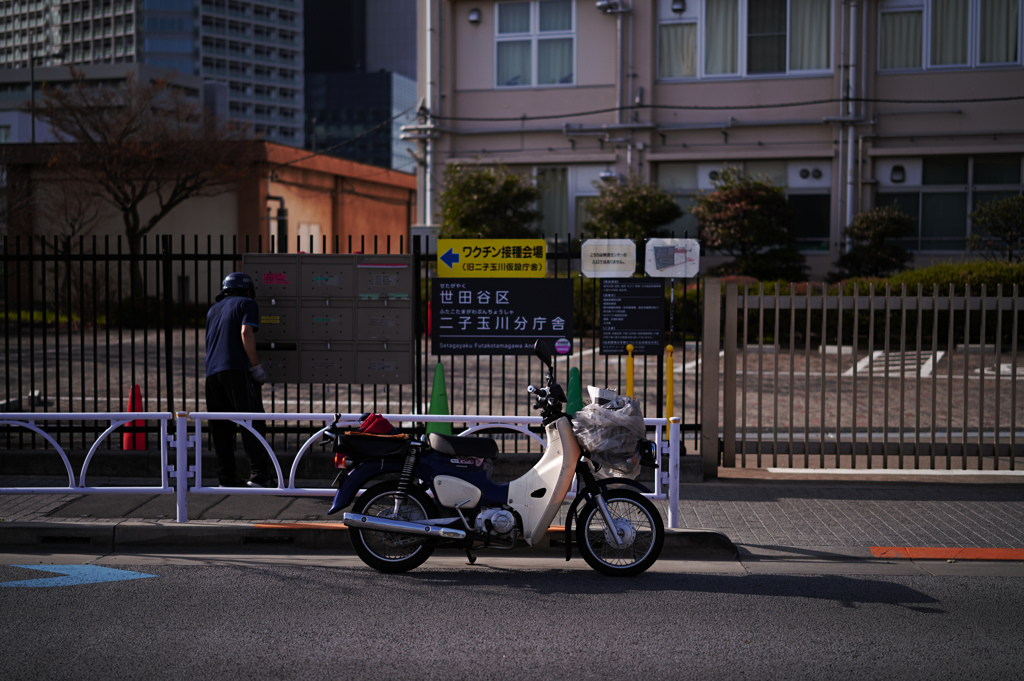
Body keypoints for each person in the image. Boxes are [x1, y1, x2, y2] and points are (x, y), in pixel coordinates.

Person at [205, 272, 276, 488]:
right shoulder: (247, 303)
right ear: (247, 290)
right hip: (237, 370)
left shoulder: (212, 310)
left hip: (212, 374)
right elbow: (246, 333)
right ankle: (259, 476)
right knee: (251, 422)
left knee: (221, 427)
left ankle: (226, 477)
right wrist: (255, 366)